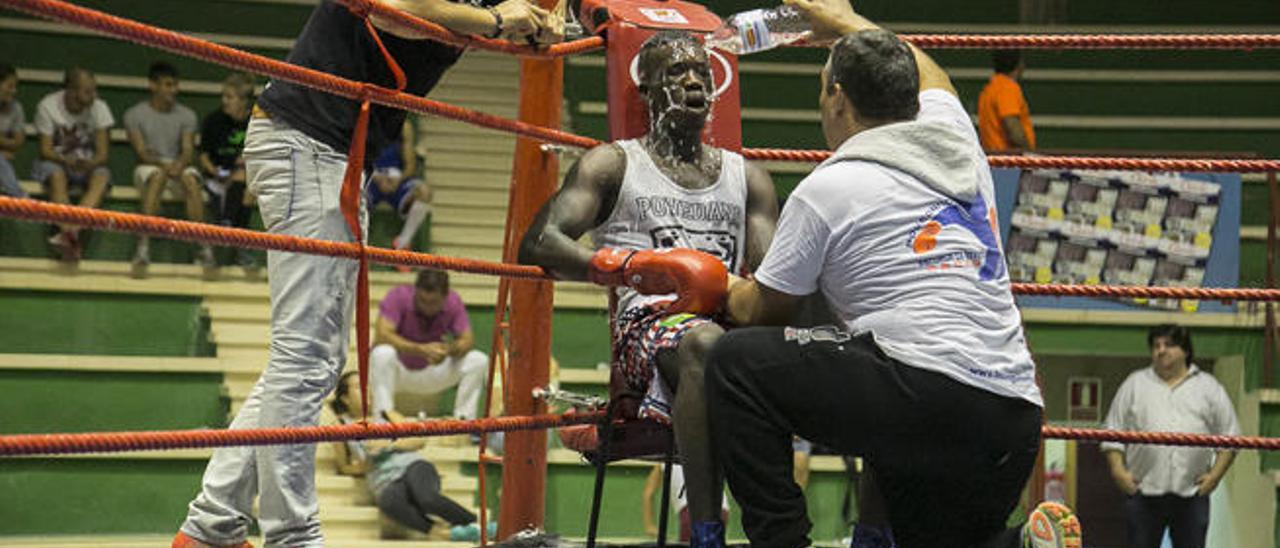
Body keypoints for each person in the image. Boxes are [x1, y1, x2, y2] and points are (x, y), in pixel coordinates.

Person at [174, 1, 558, 546]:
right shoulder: (475, 9)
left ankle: (211, 526)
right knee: (304, 358)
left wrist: (536, 20)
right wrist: (500, 22)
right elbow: (394, 10)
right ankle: (292, 537)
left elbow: (534, 25)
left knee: (315, 361)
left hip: (332, 152)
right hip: (310, 143)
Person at [704, 1, 1079, 547]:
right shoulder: (957, 142)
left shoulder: (830, 186)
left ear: (837, 96)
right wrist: (847, 20)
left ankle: (781, 540)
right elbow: (936, 74)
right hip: (1013, 413)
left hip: (921, 395)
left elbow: (762, 310)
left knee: (734, 365)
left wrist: (709, 278)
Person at [518, 30, 779, 548]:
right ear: (646, 91)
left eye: (701, 73)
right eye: (675, 73)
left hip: (727, 316)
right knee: (706, 344)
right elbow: (539, 241)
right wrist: (629, 268)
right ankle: (707, 535)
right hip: (648, 328)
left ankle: (791, 533)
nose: (691, 80)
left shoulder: (748, 178)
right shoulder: (613, 163)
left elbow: (773, 275)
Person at [1102, 324, 1239, 548]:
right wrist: (1118, 472)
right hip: (1143, 494)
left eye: (1168, 345)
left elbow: (1231, 437)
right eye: (1156, 346)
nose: (1161, 350)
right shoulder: (1135, 384)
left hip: (1191, 495)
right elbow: (1111, 432)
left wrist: (1214, 477)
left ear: (1185, 350)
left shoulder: (1208, 387)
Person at [329, 371, 490, 541]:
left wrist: (389, 444)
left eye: (368, 385)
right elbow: (344, 467)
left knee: (426, 498)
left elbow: (418, 440)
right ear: (345, 398)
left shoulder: (387, 415)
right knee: (390, 502)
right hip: (383, 479)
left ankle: (475, 524)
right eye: (358, 386)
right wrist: (363, 466)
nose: (367, 390)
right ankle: (438, 531)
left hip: (412, 466)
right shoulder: (339, 426)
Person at [125, 61, 213, 277]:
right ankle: (143, 246)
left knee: (191, 181)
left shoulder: (187, 115)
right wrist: (165, 166)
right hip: (148, 167)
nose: (173, 90)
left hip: (178, 165)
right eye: (167, 85)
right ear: (153, 85)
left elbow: (187, 149)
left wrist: (179, 165)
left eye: (175, 85)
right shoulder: (134, 114)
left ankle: (203, 247)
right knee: (157, 176)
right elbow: (142, 152)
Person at [370, 268, 488, 422]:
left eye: (433, 303)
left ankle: (464, 421)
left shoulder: (453, 301)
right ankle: (382, 420)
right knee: (381, 353)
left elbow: (467, 340)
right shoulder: (398, 296)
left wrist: (447, 350)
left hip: (434, 370)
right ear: (416, 291)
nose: (427, 307)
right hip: (400, 371)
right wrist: (420, 349)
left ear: (445, 297)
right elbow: (382, 335)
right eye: (422, 301)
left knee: (478, 359)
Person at [32, 67, 113, 262]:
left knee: (102, 177)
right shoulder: (47, 106)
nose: (93, 96)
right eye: (88, 91)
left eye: (94, 90)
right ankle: (71, 233)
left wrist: (89, 163)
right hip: (55, 162)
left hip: (88, 165)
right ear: (71, 90)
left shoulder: (100, 108)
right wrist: (66, 160)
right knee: (57, 176)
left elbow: (103, 154)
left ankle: (70, 231)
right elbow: (45, 150)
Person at [199, 72, 258, 271]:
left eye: (230, 97)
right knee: (242, 183)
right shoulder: (213, 121)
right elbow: (204, 156)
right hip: (216, 175)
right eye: (223, 96)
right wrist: (215, 172)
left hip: (243, 177)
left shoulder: (256, 123)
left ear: (244, 101)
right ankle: (241, 243)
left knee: (247, 185)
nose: (224, 101)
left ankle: (228, 225)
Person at [367, 118, 432, 267]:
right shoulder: (366, 119)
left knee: (423, 193)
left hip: (397, 180)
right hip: (371, 176)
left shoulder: (403, 126)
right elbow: (358, 155)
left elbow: (410, 164)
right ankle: (355, 245)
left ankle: (402, 244)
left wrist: (398, 179)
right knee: (353, 197)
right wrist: (376, 176)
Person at [642, 463, 731, 542]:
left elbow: (648, 493)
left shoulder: (663, 463)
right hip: (721, 509)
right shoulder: (703, 454)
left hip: (692, 511)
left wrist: (649, 525)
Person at [977, 49, 1035, 153]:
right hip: (1010, 163)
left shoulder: (989, 89)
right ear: (1019, 64)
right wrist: (1030, 156)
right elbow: (1013, 129)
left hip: (994, 161)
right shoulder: (1007, 87)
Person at [0, 63, 27, 199]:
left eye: (15, 87)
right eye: (9, 86)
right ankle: (21, 200)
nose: (14, 91)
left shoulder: (16, 108)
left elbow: (18, 142)